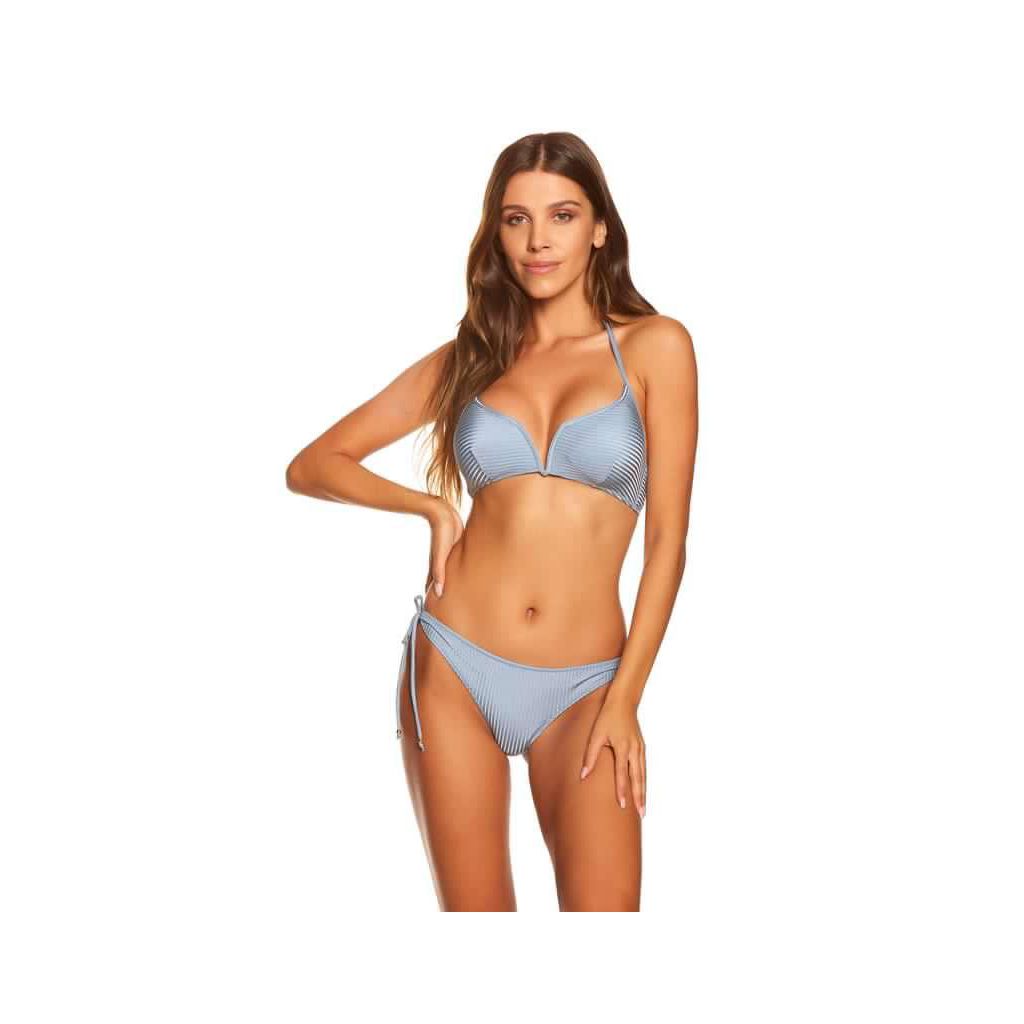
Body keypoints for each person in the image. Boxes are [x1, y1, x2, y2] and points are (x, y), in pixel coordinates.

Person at [286, 132, 698, 911]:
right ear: (497, 233)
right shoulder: (472, 359)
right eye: (516, 219)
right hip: (455, 665)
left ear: (599, 228)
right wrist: (430, 507)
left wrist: (625, 699)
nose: (539, 239)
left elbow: (668, 542)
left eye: (562, 215)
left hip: (588, 686)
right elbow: (313, 464)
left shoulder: (655, 347)